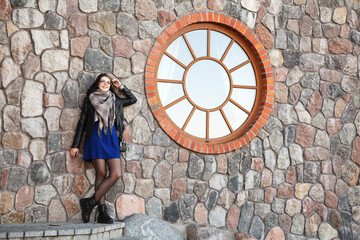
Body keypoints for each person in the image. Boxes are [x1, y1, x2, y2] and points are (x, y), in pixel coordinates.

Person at [70, 73, 137, 224]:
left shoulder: (115, 100)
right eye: (103, 81)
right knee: (101, 173)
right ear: (97, 83)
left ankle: (89, 203)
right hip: (96, 137)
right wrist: (75, 145)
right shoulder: (90, 101)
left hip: (111, 138)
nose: (106, 84)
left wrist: (120, 86)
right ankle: (102, 212)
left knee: (116, 173)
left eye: (108, 82)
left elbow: (132, 99)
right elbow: (81, 123)